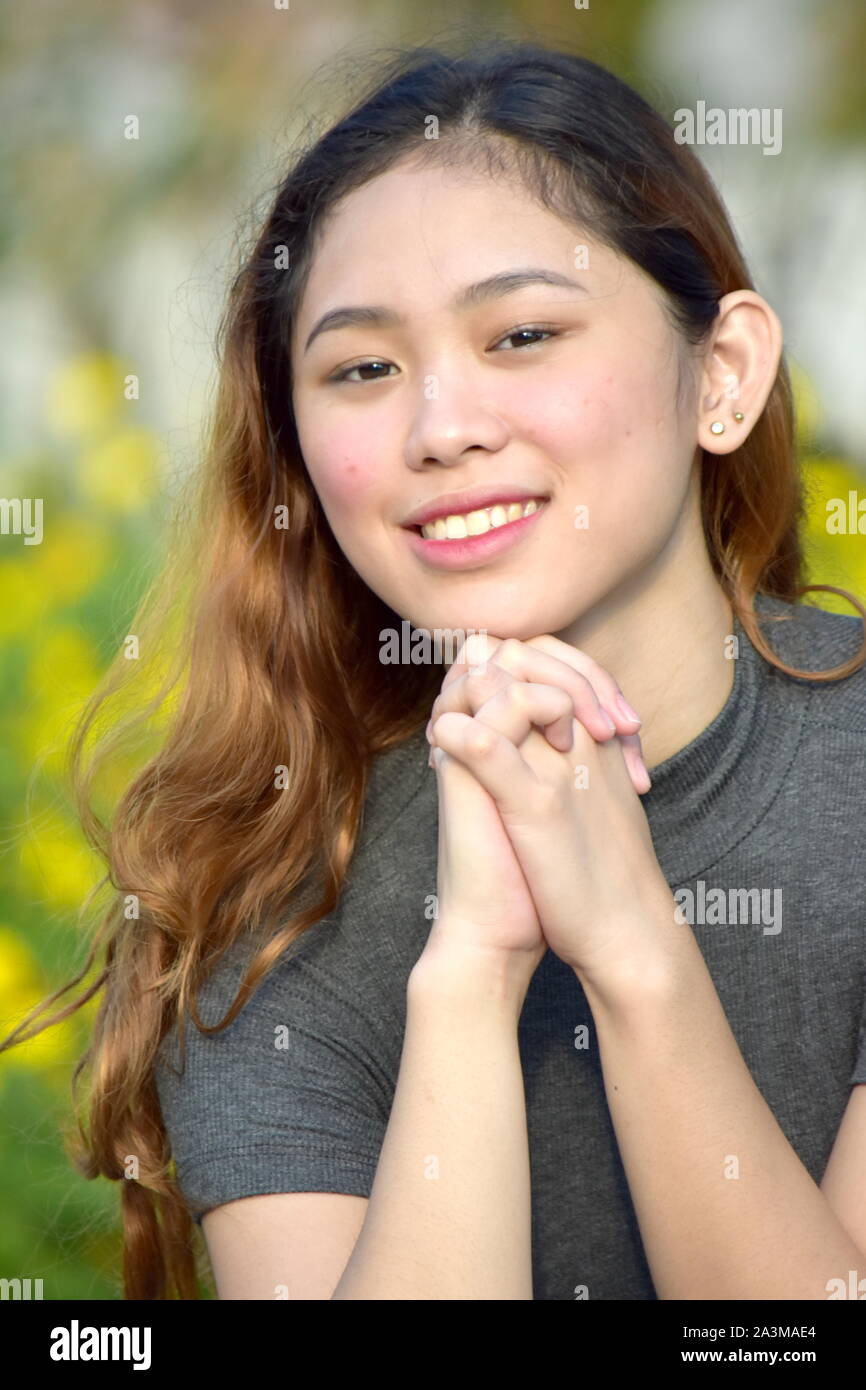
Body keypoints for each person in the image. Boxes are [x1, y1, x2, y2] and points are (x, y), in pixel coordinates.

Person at [4, 35, 866, 1301]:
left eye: (519, 333)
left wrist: (631, 951)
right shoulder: (262, 884)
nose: (440, 426)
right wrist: (466, 976)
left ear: (722, 375)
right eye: (362, 368)